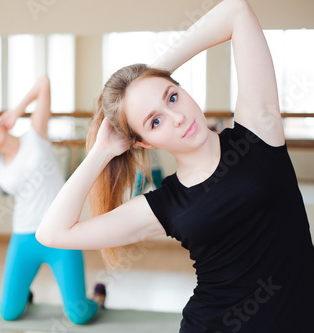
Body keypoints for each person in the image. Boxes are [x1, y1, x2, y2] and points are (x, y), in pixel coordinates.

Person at [36, 0, 314, 332]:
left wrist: (150, 76)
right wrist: (100, 152)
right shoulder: (164, 205)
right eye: (154, 122)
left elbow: (236, 10)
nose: (178, 117)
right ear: (144, 143)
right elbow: (51, 233)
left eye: (171, 97)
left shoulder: (258, 132)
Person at [0, 76, 104, 324]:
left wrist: (16, 111)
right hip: (24, 239)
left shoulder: (35, 134)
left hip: (61, 236)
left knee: (79, 315)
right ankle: (23, 295)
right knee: (8, 313)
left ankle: (97, 298)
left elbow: (44, 82)